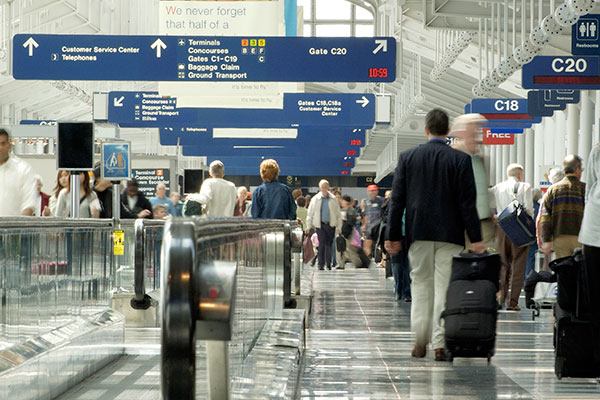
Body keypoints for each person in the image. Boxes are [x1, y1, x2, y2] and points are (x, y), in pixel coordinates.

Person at [385, 108, 484, 362]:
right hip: (450, 236)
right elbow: (467, 204)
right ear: (448, 131)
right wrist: (476, 238)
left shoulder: (408, 158)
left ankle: (419, 340)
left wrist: (392, 235)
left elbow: (397, 202)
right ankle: (440, 344)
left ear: (426, 130)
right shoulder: (460, 160)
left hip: (418, 234)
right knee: (444, 290)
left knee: (420, 286)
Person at [491, 163, 533, 312]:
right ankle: (513, 302)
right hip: (519, 229)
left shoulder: (497, 188)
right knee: (518, 264)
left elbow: (491, 208)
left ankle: (500, 299)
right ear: (520, 175)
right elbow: (528, 209)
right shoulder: (525, 187)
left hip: (502, 228)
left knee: (502, 264)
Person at [451, 113, 496, 250]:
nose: (477, 137)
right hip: (459, 225)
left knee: (485, 265)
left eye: (478, 131)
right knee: (461, 265)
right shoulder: (452, 157)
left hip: (484, 224)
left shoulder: (482, 159)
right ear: (460, 133)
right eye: (472, 132)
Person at [540, 155, 586, 259]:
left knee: (563, 269)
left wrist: (547, 240)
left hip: (559, 237)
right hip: (581, 237)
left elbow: (545, 217)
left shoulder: (552, 190)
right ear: (577, 169)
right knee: (580, 270)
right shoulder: (584, 188)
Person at [579, 144, 600, 320]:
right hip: (594, 231)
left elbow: (589, 191)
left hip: (593, 231)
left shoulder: (597, 150)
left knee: (594, 296)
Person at [306, 179, 342, 271]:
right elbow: (310, 213)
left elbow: (338, 214)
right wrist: (308, 226)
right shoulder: (315, 199)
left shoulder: (333, 199)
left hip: (331, 224)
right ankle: (321, 264)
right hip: (320, 224)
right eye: (322, 187)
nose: (324, 189)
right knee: (321, 243)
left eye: (326, 187)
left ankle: (328, 263)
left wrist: (339, 226)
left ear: (328, 187)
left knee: (329, 244)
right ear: (320, 188)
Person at [0, 128, 37, 216]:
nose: (0, 148)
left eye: (3, 143)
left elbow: (29, 203)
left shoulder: (23, 169)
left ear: (9, 144)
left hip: (13, 227)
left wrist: (19, 227)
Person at [525, 188, 543, 279]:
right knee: (531, 257)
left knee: (526, 257)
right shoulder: (539, 207)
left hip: (526, 235)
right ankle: (529, 276)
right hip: (534, 235)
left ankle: (526, 276)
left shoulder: (527, 206)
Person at [362, 185, 384, 258]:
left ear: (377, 191)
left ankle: (380, 258)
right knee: (367, 242)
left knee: (379, 243)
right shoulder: (366, 202)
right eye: (370, 191)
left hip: (378, 225)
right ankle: (368, 258)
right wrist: (364, 225)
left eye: (373, 190)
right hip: (369, 226)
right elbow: (366, 214)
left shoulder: (381, 201)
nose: (372, 192)